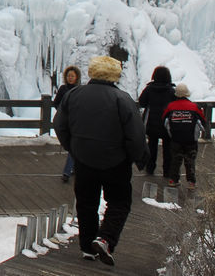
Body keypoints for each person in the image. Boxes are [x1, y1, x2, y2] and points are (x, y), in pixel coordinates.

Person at [53, 55, 147, 267]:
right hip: (116, 161)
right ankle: (105, 238)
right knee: (119, 202)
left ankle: (87, 247)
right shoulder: (122, 99)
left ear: (92, 72)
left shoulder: (74, 95)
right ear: (114, 75)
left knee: (86, 203)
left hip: (84, 160)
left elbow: (59, 124)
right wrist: (137, 157)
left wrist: (73, 147)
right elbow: (136, 134)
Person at [161, 83, 206, 190]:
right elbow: (203, 121)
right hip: (191, 139)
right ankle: (191, 182)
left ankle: (173, 180)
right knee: (190, 161)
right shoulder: (194, 107)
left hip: (175, 139)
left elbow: (164, 120)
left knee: (175, 160)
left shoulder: (170, 106)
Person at [138, 65, 176, 178]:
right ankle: (167, 171)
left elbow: (142, 102)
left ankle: (150, 169)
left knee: (152, 146)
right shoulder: (171, 90)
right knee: (168, 148)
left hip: (152, 123)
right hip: (167, 124)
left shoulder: (149, 89)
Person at [52, 66, 81, 183]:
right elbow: (56, 103)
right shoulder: (63, 89)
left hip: (76, 121)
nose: (70, 78)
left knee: (73, 147)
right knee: (73, 147)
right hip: (66, 121)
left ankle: (67, 171)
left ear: (76, 77)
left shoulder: (80, 89)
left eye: (72, 76)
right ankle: (71, 169)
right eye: (69, 76)